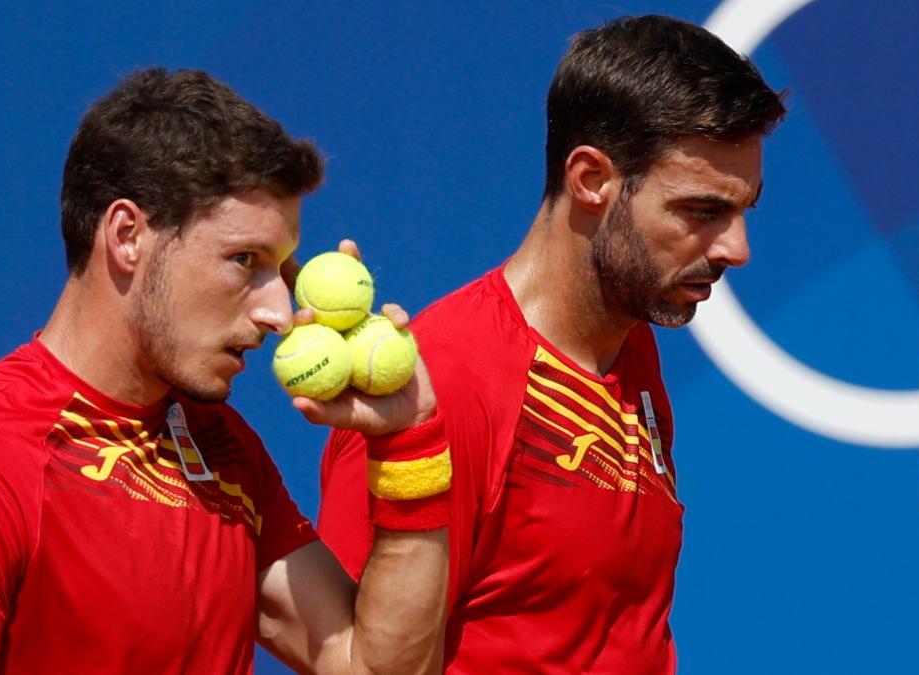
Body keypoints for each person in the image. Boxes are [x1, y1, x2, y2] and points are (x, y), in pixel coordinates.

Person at [0, 68, 452, 674]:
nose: (280, 314)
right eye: (244, 260)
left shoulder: (223, 448)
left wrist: (410, 440)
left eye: (281, 270)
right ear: (128, 236)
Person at [318, 14, 787, 673]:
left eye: (743, 211)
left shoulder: (631, 344)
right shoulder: (443, 385)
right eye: (702, 211)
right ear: (591, 179)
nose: (737, 249)